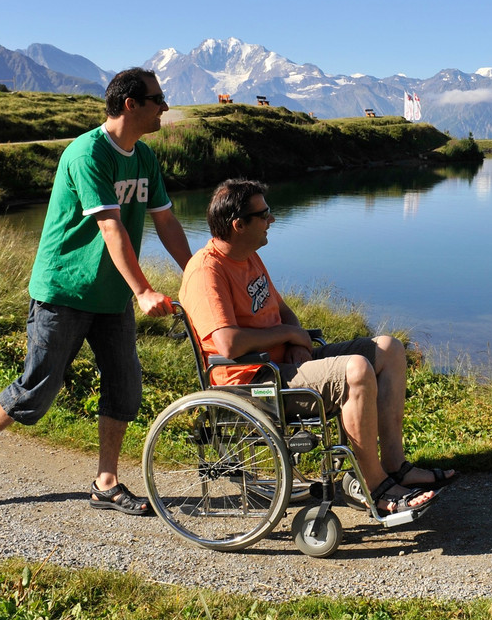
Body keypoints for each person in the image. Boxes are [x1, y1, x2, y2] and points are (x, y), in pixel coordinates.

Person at [178, 179, 456, 515]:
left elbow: (282, 310)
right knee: (355, 370)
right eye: (264, 215)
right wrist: (289, 336)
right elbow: (229, 343)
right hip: (255, 383)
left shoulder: (247, 256)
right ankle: (376, 486)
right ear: (238, 225)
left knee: (390, 348)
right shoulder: (206, 272)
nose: (272, 220)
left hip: (284, 367)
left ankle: (395, 466)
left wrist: (296, 340)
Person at [0, 68, 192, 514]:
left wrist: (195, 276)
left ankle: (105, 483)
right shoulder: (87, 153)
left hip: (111, 296)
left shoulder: (144, 157)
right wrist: (143, 290)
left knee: (125, 387)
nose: (165, 107)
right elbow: (110, 227)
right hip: (64, 290)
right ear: (131, 104)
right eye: (158, 99)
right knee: (37, 389)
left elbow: (166, 220)